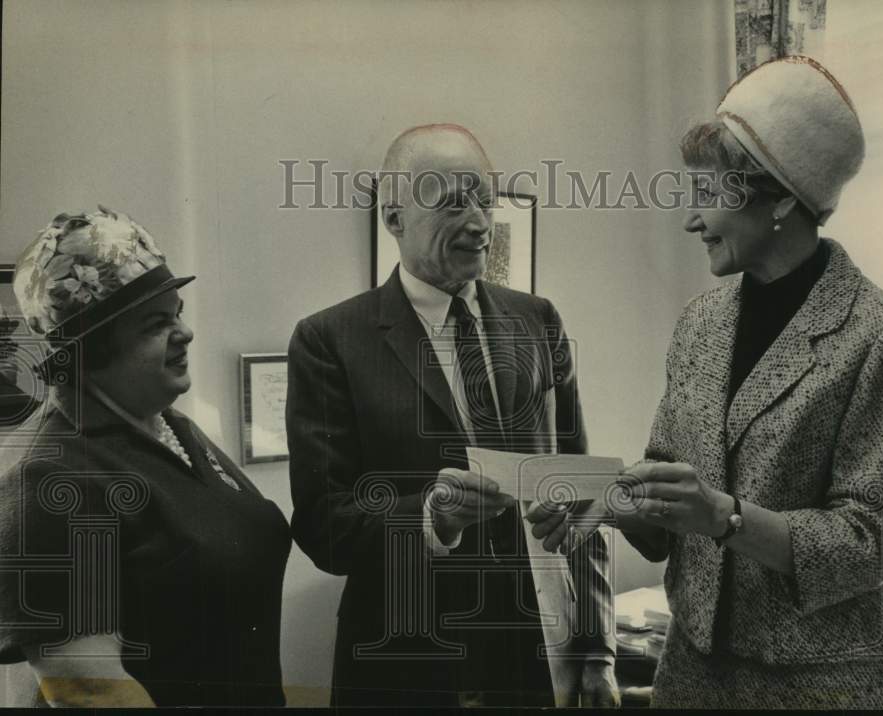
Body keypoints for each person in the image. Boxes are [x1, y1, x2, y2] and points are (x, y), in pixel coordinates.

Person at [561, 57, 883, 709]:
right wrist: (587, 498)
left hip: (816, 687)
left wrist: (725, 517)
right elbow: (668, 488)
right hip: (693, 675)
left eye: (709, 194)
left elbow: (872, 540)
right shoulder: (701, 324)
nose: (692, 219)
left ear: (783, 197)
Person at [286, 124, 618, 708]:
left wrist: (597, 650)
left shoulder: (538, 320)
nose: (480, 223)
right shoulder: (329, 340)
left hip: (536, 659)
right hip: (409, 664)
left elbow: (580, 488)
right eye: (452, 202)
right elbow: (324, 528)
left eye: (485, 199)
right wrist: (430, 518)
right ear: (394, 218)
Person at [0, 207, 291, 707]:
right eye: (157, 323)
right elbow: (89, 690)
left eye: (178, 312)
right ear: (93, 351)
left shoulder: (172, 425)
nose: (185, 332)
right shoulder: (50, 477)